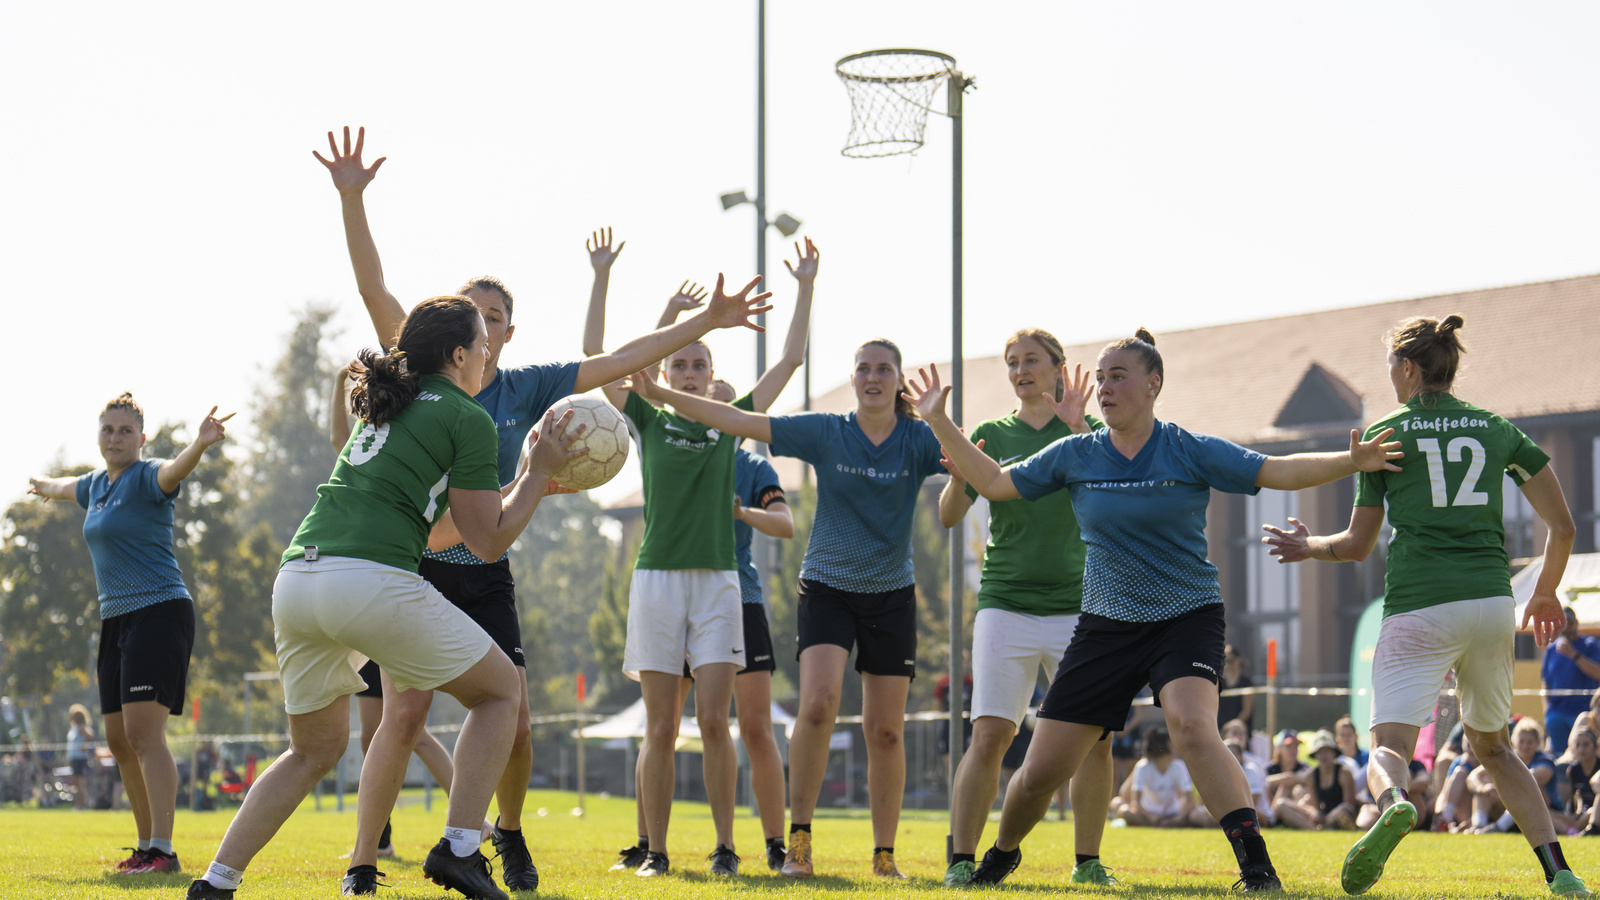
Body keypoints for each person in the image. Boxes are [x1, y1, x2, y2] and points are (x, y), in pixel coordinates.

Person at [316, 127, 772, 890]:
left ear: (506, 332)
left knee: (516, 720)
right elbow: (372, 289)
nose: (482, 322)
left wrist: (705, 323)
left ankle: (507, 832)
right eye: (471, 311)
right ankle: (363, 864)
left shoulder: (527, 386)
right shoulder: (427, 376)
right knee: (401, 718)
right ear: (456, 331)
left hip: (486, 566)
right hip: (418, 566)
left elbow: (625, 358)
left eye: (493, 314)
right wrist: (353, 200)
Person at [906, 327, 1404, 892]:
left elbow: (1275, 471)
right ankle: (999, 855)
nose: (1105, 387)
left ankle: (1257, 870)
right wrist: (937, 421)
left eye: (1119, 376)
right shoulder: (1077, 453)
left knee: (1193, 728)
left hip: (1185, 616)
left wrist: (1353, 460)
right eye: (1101, 378)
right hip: (1106, 626)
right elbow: (994, 483)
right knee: (1042, 770)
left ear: (1154, 384)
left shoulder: (1187, 448)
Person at [184, 296, 581, 900]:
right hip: (366, 581)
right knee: (502, 692)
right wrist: (533, 474)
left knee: (312, 749)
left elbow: (434, 530)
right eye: (481, 344)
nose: (488, 354)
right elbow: (489, 539)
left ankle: (215, 884)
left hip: (299, 580)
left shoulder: (387, 404)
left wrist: (523, 487)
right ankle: (461, 850)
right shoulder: (466, 415)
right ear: (457, 355)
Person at [1263, 313, 1589, 895]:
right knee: (1491, 746)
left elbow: (1358, 546)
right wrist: (1543, 592)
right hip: (1492, 605)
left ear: (1408, 367)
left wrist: (1306, 546)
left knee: (1388, 746)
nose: (1389, 374)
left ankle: (1394, 803)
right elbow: (1562, 526)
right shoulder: (1495, 428)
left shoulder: (1386, 435)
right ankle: (1560, 874)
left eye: (1390, 363)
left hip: (1420, 605)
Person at [627, 336, 947, 879]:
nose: (873, 377)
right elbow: (734, 416)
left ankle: (882, 854)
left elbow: (976, 472)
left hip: (887, 593)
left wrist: (943, 425)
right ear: (852, 378)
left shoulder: (917, 437)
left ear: (897, 379)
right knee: (814, 706)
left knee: (883, 730)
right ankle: (792, 842)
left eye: (884, 369)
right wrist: (660, 390)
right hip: (820, 585)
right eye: (863, 368)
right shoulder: (827, 430)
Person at [592, 240, 814, 877]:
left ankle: (726, 846)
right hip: (657, 582)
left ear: (711, 376)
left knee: (716, 723)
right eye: (679, 364)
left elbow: (791, 358)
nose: (688, 373)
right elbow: (601, 359)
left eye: (699, 365)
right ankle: (656, 852)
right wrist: (637, 297)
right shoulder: (646, 417)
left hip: (719, 585)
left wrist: (803, 287)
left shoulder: (731, 422)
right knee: (659, 727)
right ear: (666, 371)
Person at [934, 329, 1116, 887]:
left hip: (1080, 609)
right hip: (1005, 605)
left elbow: (1116, 493)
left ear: (1059, 368)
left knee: (1096, 740)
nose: (1021, 370)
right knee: (990, 735)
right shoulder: (989, 433)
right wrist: (961, 478)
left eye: (1031, 361)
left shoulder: (1092, 433)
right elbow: (947, 516)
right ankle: (962, 859)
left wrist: (1081, 424)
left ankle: (1088, 864)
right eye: (1012, 362)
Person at [29, 394, 232, 875]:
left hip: (160, 612)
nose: (115, 438)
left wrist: (199, 444)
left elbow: (175, 471)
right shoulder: (96, 485)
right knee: (118, 739)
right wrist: (40, 484)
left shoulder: (148, 476)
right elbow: (63, 487)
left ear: (141, 439)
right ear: (98, 436)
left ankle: (164, 849)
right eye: (107, 430)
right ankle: (145, 847)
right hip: (115, 620)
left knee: (144, 734)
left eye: (124, 431)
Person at [328, 365, 483, 860]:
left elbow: (454, 531)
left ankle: (471, 826)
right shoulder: (371, 442)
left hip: (392, 593)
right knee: (382, 730)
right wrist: (338, 388)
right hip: (366, 594)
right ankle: (379, 841)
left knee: (405, 727)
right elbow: (341, 439)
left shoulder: (444, 422)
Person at [1110, 727, 1193, 828]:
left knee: (1194, 815)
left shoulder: (1179, 766)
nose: (1176, 748)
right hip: (1148, 814)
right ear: (1161, 747)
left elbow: (1189, 800)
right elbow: (1136, 801)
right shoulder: (1143, 766)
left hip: (1173, 813)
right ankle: (1160, 825)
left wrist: (1178, 819)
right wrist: (1152, 818)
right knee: (1124, 810)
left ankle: (1163, 824)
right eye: (1171, 744)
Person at [1544, 608, 1600, 757]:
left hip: (1582, 713)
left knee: (1582, 757)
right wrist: (1547, 712)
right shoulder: (1551, 649)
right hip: (1556, 714)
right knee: (1561, 758)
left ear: (1577, 623)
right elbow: (1545, 683)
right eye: (1561, 623)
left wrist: (1573, 655)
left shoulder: (1590, 645)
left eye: (1569, 623)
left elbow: (1598, 673)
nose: (1566, 627)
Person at [1274, 730, 1357, 830]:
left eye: (1327, 751)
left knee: (1343, 810)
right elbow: (1315, 807)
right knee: (1281, 804)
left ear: (1334, 753)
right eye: (1320, 752)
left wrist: (1329, 817)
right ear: (1315, 755)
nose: (1324, 755)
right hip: (1321, 818)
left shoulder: (1344, 773)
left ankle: (1322, 828)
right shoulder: (1311, 776)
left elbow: (1349, 806)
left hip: (1337, 814)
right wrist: (1316, 813)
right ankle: (1314, 830)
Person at [1217, 646, 1256, 733]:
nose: (1227, 664)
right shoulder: (1219, 682)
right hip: (1220, 731)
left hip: (1239, 731)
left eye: (1230, 661)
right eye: (1225, 660)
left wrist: (1231, 727)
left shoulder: (1246, 682)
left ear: (1238, 660)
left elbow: (1246, 711)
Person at [67, 704, 94, 811]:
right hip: (74, 759)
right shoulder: (73, 728)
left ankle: (83, 805)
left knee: (80, 783)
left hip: (80, 759)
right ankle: (79, 805)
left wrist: (84, 745)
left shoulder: (81, 726)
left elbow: (90, 735)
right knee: (76, 783)